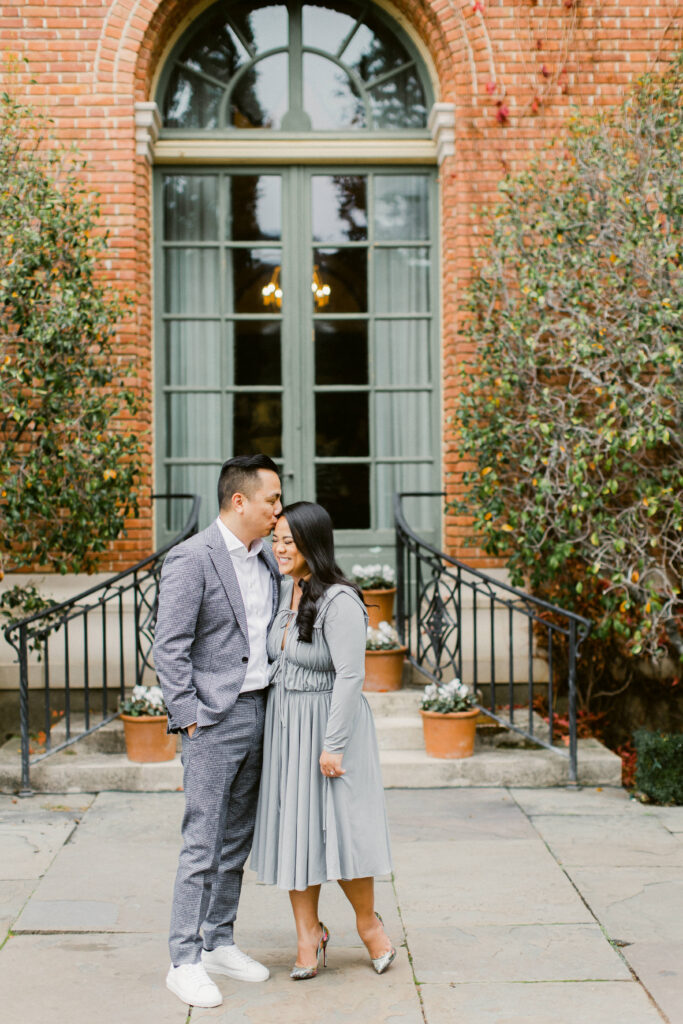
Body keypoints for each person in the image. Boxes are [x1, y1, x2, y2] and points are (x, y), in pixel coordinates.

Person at [154, 454, 282, 1009]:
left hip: (260, 709)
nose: (279, 509)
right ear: (239, 501)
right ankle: (183, 960)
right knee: (201, 841)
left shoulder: (271, 559)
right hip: (211, 719)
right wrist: (188, 716)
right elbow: (169, 646)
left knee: (237, 839)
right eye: (272, 500)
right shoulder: (192, 558)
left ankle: (219, 941)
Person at [251, 501, 396, 979]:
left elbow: (352, 676)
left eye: (288, 541)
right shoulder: (284, 591)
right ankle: (307, 934)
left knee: (343, 833)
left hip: (332, 730)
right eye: (276, 540)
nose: (278, 548)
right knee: (298, 834)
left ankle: (368, 923)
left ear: (313, 543)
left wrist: (332, 744)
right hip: (289, 727)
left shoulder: (340, 600)